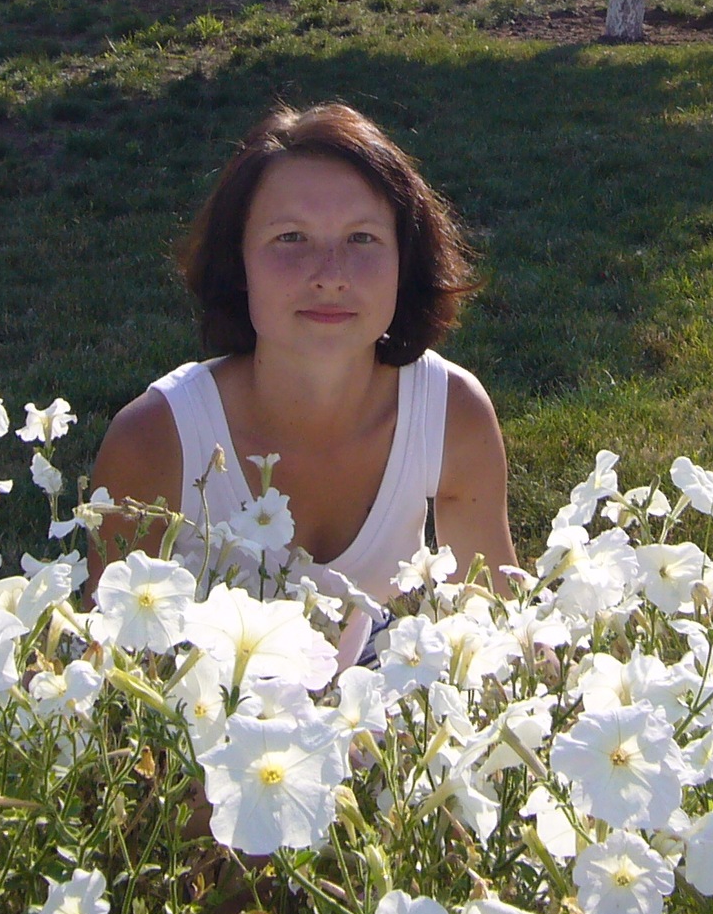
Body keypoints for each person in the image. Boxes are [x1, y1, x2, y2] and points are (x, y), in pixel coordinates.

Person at [91, 103, 516, 664]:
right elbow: (110, 674)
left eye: (362, 238)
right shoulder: (154, 439)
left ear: (405, 259)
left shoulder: (451, 414)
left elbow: (498, 641)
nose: (330, 276)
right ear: (238, 261)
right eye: (291, 238)